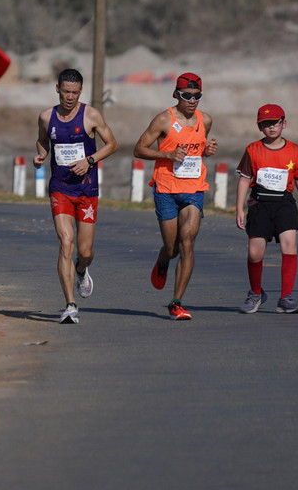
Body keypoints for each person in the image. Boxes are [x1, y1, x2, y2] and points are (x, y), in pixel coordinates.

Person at [33, 68, 118, 324]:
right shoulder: (46, 117)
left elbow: (112, 144)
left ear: (81, 92)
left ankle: (82, 270)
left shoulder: (90, 115)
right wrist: (40, 155)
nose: (70, 97)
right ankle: (70, 305)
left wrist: (89, 160)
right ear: (57, 89)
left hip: (87, 189)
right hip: (60, 188)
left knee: (85, 251)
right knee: (65, 243)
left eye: (75, 92)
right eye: (66, 91)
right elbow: (42, 141)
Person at [133, 72, 218, 320]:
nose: (192, 100)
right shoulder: (163, 120)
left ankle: (176, 302)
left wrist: (207, 151)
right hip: (166, 189)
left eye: (197, 96)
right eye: (186, 95)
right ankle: (163, 261)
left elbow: (198, 149)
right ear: (176, 94)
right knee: (172, 249)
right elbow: (139, 149)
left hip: (193, 189)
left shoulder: (206, 120)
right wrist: (167, 155)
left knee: (187, 242)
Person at [235, 104, 298, 314]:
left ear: (283, 124)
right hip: (260, 205)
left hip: (284, 205)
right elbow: (244, 180)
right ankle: (256, 293)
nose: (271, 128)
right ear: (260, 127)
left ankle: (286, 297)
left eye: (275, 123)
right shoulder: (253, 149)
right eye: (265, 124)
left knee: (290, 245)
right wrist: (239, 209)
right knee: (254, 253)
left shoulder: (295, 151)